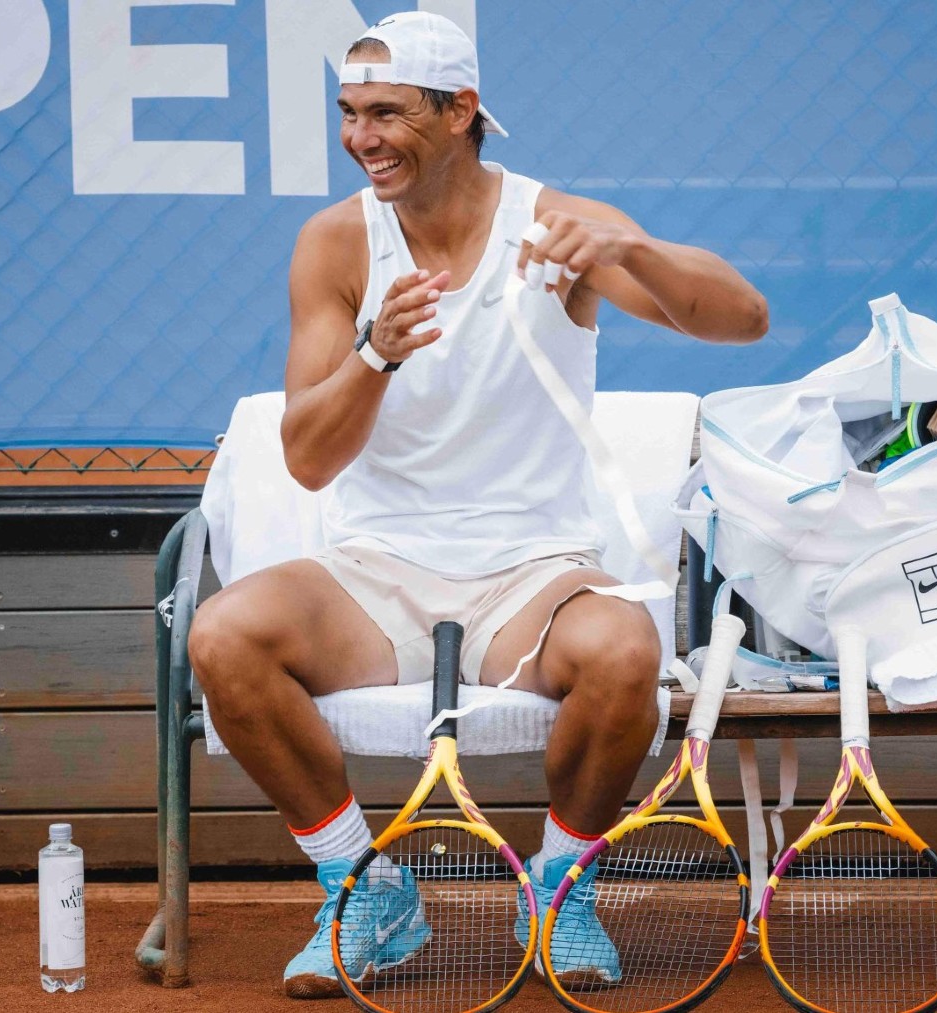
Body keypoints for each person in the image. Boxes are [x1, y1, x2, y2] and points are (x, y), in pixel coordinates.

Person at [187, 11, 768, 998]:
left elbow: (744, 320)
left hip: (533, 575)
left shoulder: (555, 228)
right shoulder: (334, 243)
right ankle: (365, 886)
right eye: (348, 112)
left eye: (386, 112)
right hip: (372, 574)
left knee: (627, 651)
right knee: (223, 636)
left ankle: (558, 890)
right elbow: (309, 460)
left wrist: (633, 242)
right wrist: (377, 353)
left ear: (460, 111)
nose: (360, 137)